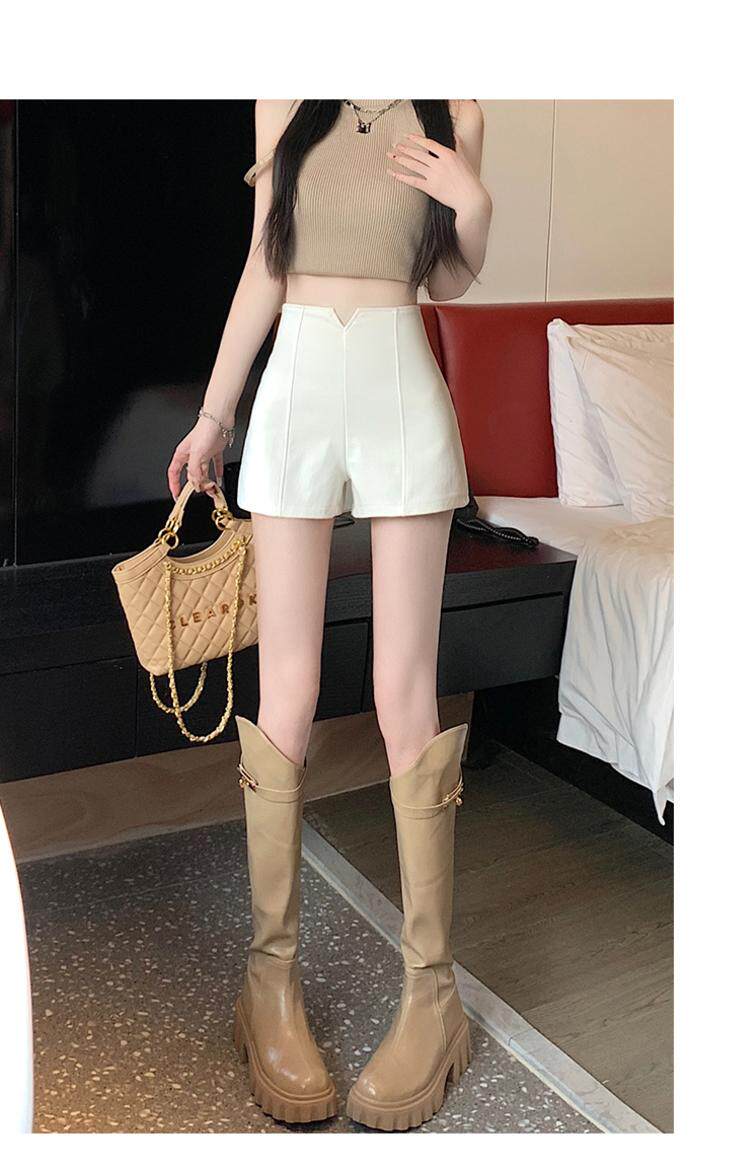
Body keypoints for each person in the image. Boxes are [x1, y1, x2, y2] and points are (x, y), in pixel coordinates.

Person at [167, 98, 492, 1131]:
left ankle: (432, 996)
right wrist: (215, 413)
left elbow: (450, 278)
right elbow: (266, 262)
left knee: (404, 695)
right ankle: (267, 983)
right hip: (297, 380)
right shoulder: (284, 95)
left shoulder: (454, 106)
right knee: (290, 693)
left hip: (400, 377)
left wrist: (472, 201)